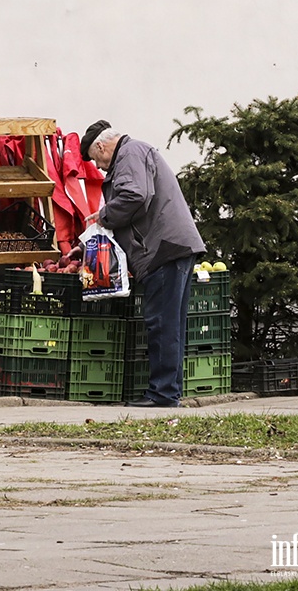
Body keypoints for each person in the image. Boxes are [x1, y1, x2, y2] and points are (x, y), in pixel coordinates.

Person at [80, 120, 205, 408]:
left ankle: (163, 394)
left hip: (163, 249)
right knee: (170, 324)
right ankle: (168, 391)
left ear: (100, 146)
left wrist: (104, 216)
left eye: (95, 159)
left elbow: (135, 195)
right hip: (173, 247)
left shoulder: (130, 153)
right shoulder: (136, 152)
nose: (98, 167)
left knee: (161, 323)